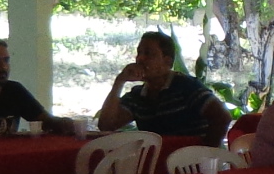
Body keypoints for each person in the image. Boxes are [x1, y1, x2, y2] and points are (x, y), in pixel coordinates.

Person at [96, 31, 228, 141]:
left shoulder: (186, 86)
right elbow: (106, 125)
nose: (140, 58)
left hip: (189, 161)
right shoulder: (137, 96)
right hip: (157, 161)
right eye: (139, 53)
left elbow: (222, 117)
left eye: (148, 53)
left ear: (167, 61)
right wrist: (119, 81)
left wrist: (205, 151)